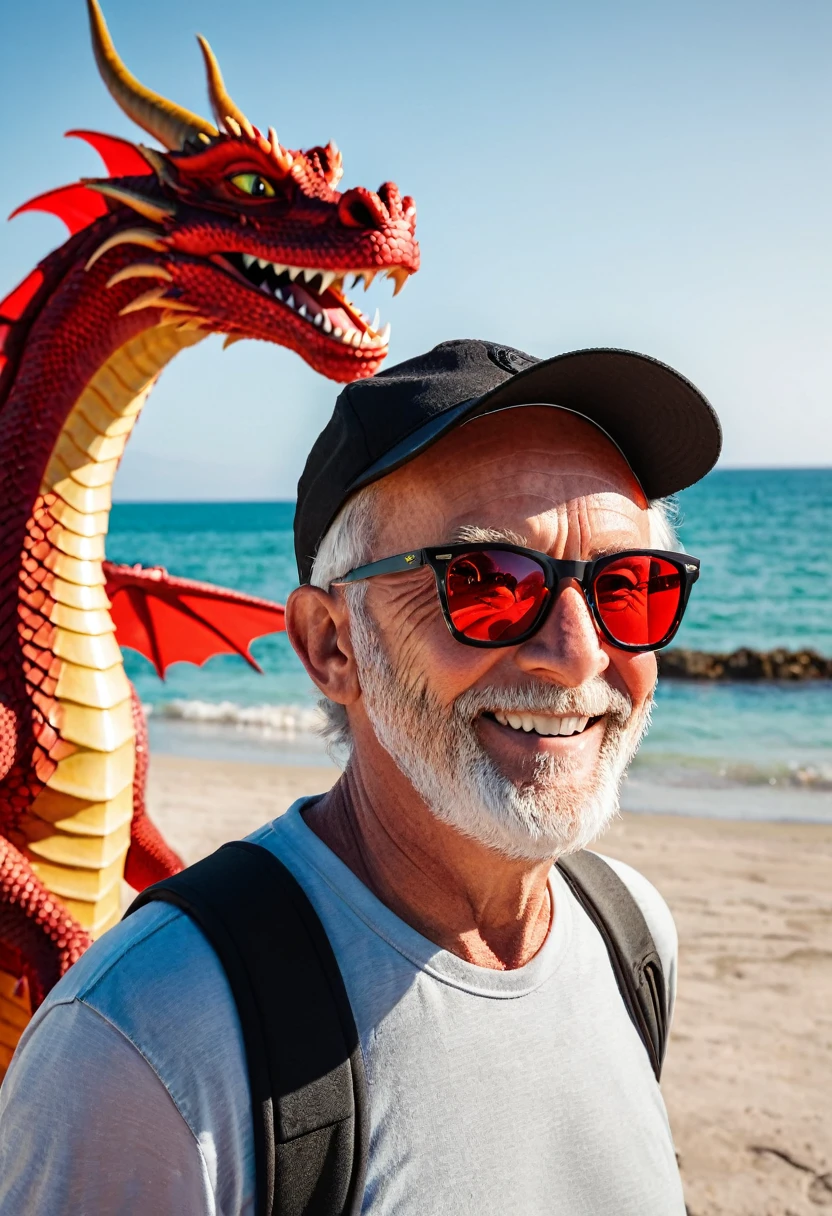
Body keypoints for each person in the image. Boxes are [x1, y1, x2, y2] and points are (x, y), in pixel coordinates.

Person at [0, 339, 720, 1214]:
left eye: (628, 586)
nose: (578, 656)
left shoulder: (629, 937)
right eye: (486, 582)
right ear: (330, 646)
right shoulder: (145, 1045)